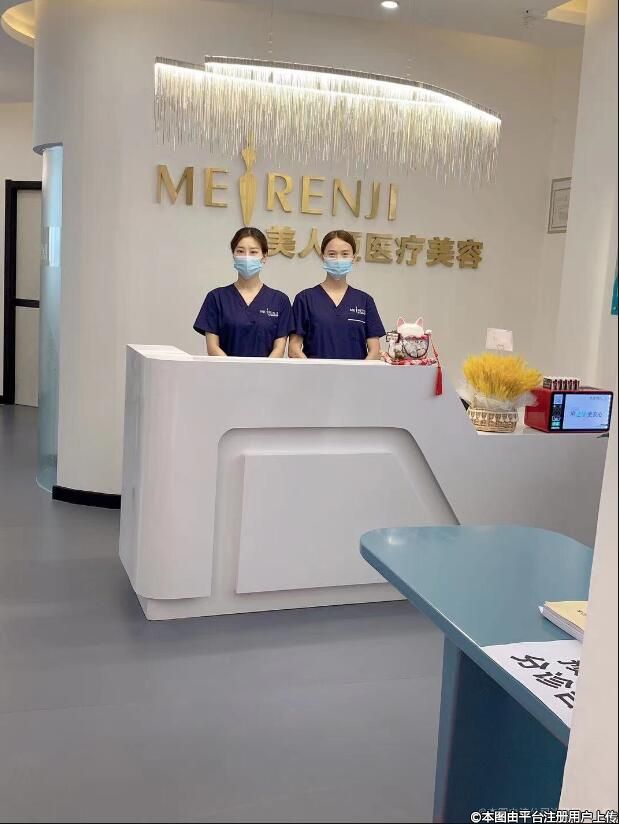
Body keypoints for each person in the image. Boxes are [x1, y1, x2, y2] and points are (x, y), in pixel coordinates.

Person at [193, 227, 292, 357]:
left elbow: (279, 349)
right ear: (233, 255)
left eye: (253, 252)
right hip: (225, 369)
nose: (246, 257)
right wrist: (234, 369)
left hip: (266, 370)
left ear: (264, 257)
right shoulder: (216, 298)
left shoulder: (280, 301)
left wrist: (262, 369)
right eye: (240, 251)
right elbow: (213, 348)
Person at [289, 230, 385, 360]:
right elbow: (294, 349)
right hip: (315, 373)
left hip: (356, 373)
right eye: (332, 254)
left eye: (345, 254)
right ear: (323, 257)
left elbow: (374, 350)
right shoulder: (305, 299)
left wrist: (360, 371)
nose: (338, 259)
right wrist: (313, 370)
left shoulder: (365, 301)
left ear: (353, 258)